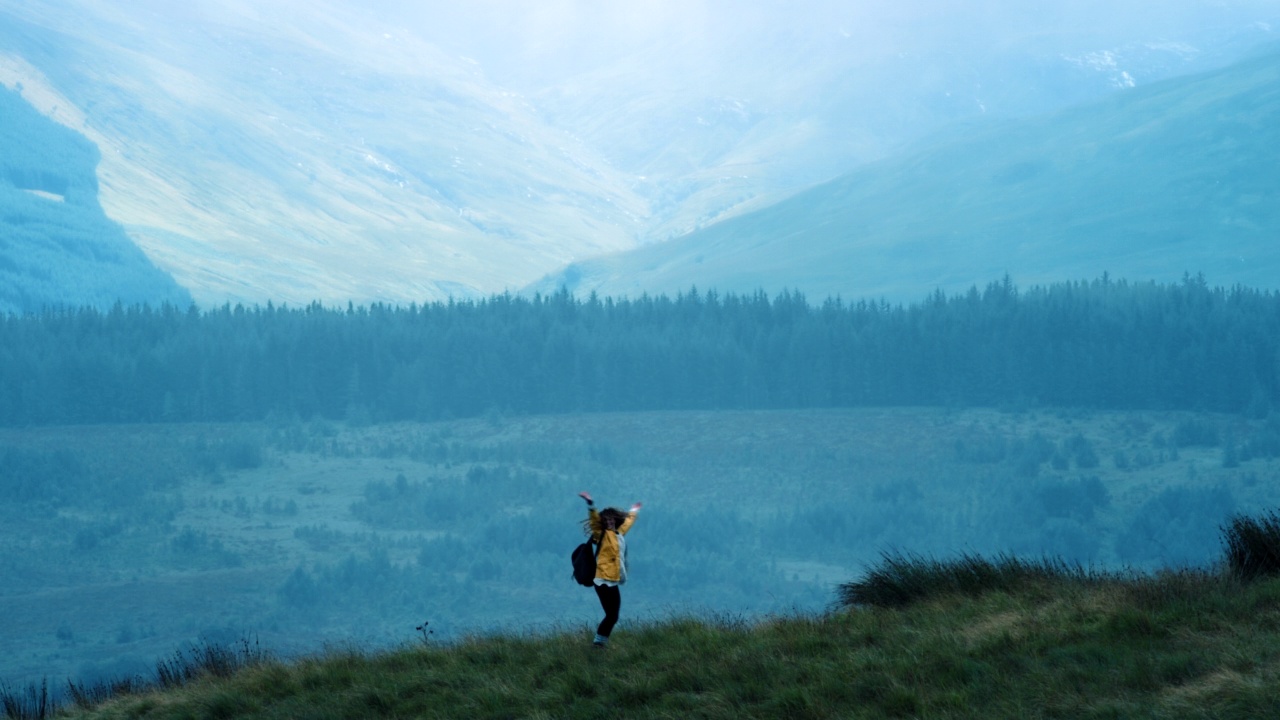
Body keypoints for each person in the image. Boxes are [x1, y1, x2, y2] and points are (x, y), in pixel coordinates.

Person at [578, 491, 641, 648]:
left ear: (615, 520)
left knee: (613, 615)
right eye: (606, 520)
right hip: (603, 581)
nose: (610, 522)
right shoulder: (601, 535)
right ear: (603, 523)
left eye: (612, 519)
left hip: (612, 581)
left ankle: (600, 643)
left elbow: (629, 522)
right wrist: (590, 504)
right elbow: (594, 522)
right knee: (612, 615)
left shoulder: (619, 534)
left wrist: (634, 509)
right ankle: (598, 644)